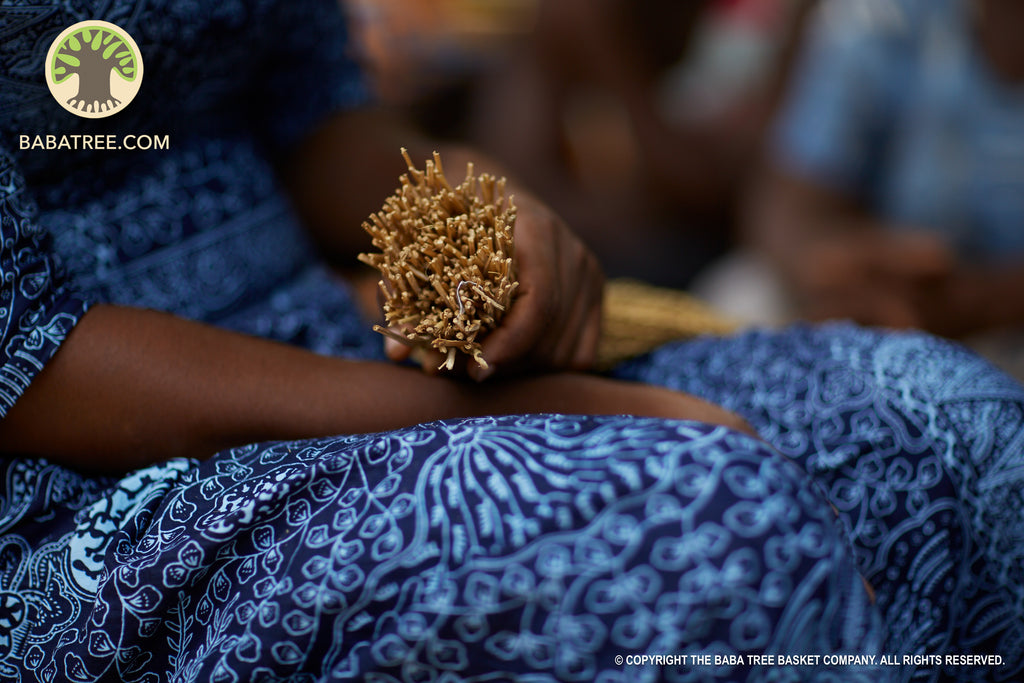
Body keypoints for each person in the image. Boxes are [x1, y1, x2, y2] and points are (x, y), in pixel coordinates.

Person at [0, 1, 1020, 681]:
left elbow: (315, 123)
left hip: (336, 335)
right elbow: (31, 360)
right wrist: (540, 404)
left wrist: (472, 212)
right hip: (83, 484)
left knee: (937, 421)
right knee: (712, 516)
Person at [740, 0, 1024, 358]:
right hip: (892, 303)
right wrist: (838, 265)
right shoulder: (884, 16)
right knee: (745, 301)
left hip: (1003, 325)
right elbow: (789, 198)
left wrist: (986, 301)